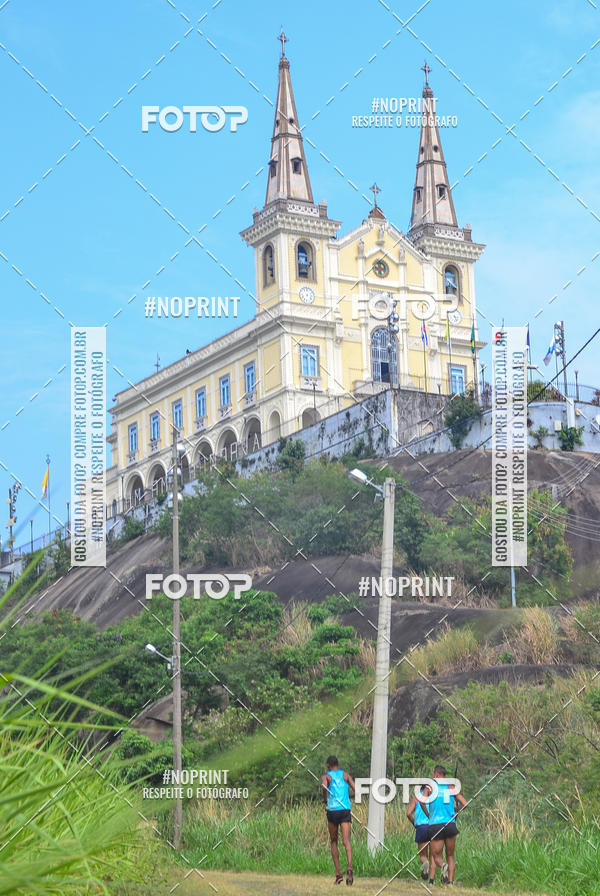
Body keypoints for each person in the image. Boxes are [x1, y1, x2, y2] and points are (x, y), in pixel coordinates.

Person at [427, 764, 467, 885]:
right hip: (450, 824)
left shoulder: (431, 787)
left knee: (435, 854)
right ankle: (450, 882)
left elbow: (422, 802)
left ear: (436, 774)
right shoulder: (451, 786)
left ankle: (443, 866)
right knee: (450, 855)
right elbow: (465, 803)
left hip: (435, 824)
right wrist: (455, 809)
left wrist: (428, 813)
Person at [321, 755, 355, 885]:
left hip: (332, 811)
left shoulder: (327, 776)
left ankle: (338, 874)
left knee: (334, 841)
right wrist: (348, 796)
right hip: (345, 809)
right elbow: (356, 790)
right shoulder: (346, 775)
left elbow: (324, 787)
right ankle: (350, 867)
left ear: (329, 765)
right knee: (346, 841)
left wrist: (325, 800)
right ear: (338, 764)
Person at [406, 782, 431, 880]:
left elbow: (408, 813)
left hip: (421, 827)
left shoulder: (416, 798)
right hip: (433, 827)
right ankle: (432, 878)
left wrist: (414, 823)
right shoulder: (433, 798)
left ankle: (425, 863)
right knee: (434, 854)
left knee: (423, 855)